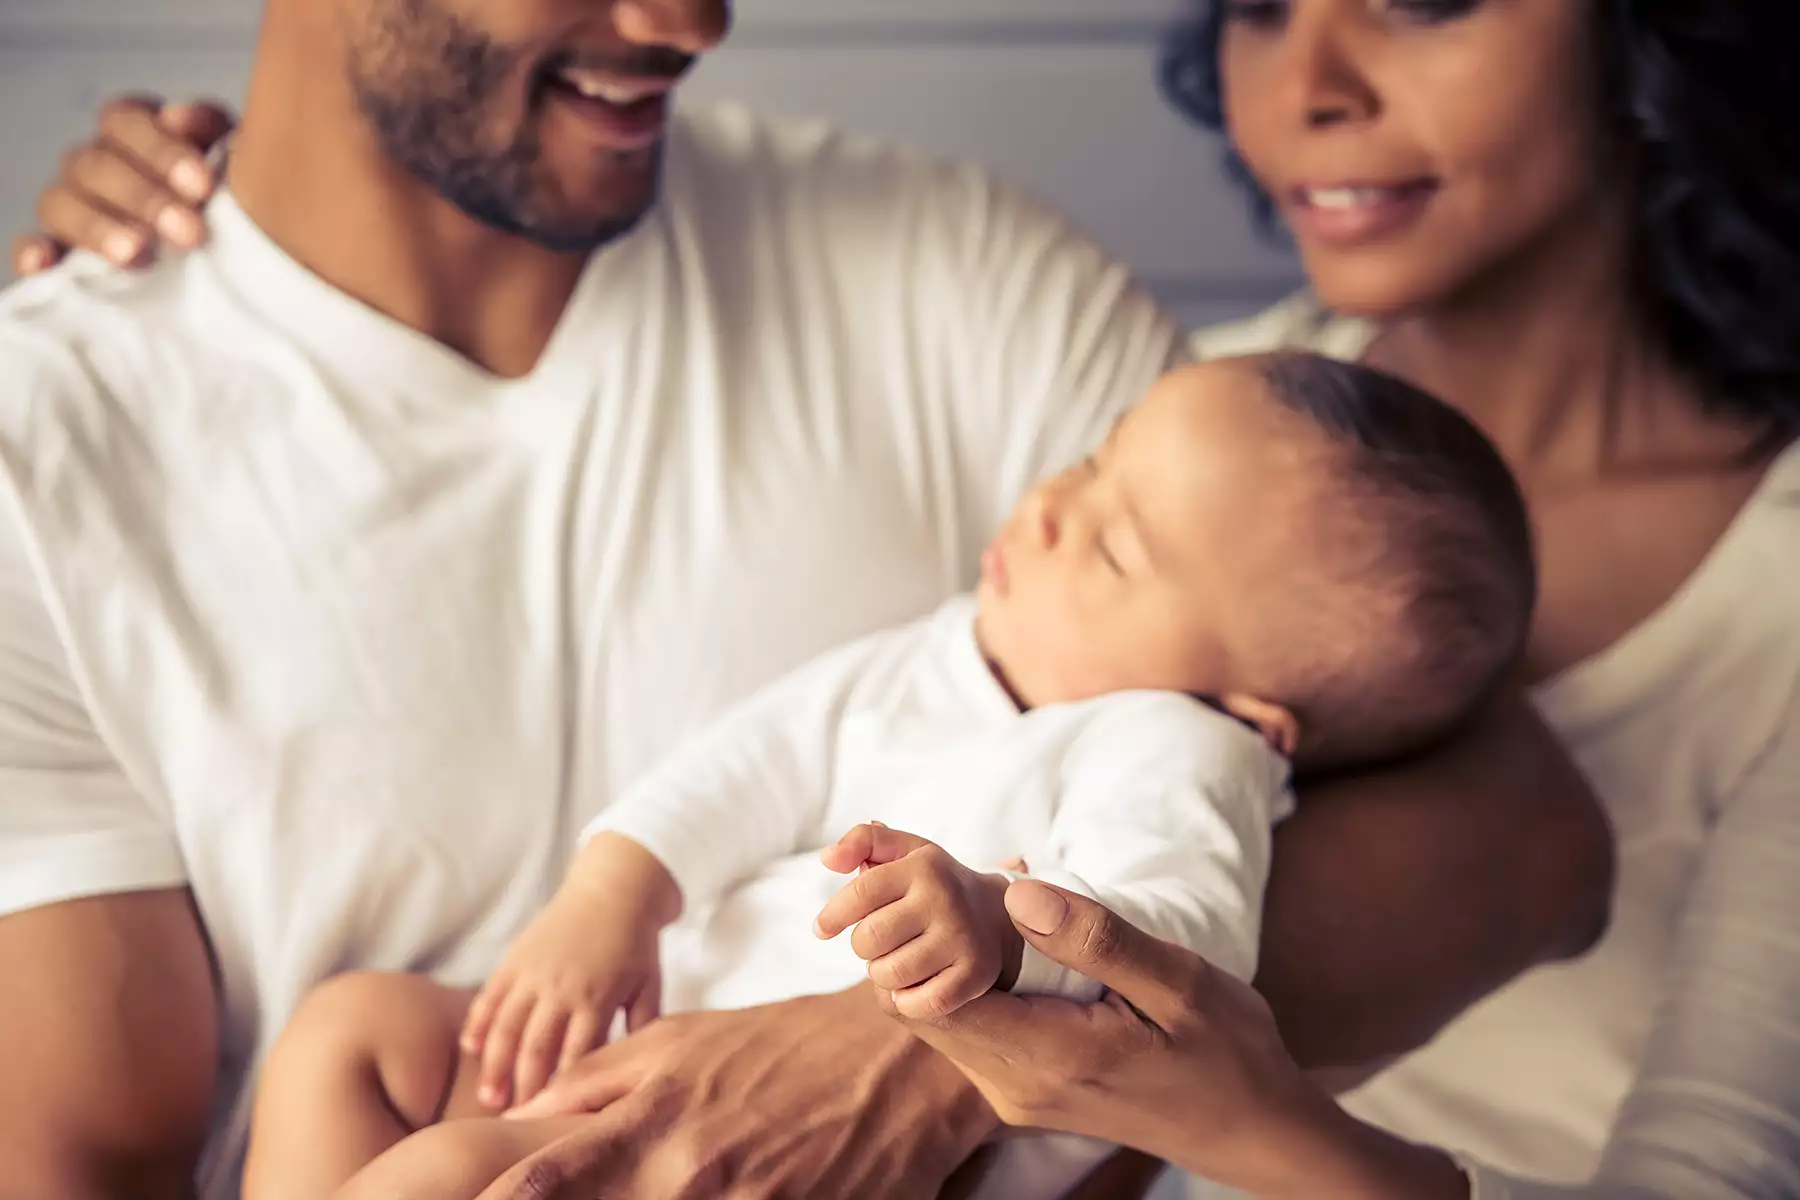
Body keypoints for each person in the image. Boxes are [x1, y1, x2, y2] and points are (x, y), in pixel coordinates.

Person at [0, 2, 1611, 1198]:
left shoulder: (953, 276)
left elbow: (1519, 830)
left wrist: (925, 1062)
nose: (689, 23)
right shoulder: (43, 445)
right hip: (476, 1089)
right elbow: (79, 1157)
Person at [864, 1, 1800, 1197]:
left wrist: (1253, 1125)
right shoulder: (1157, 412)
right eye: (1259, 8)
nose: (1307, 87)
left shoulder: (1775, 585)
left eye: (1418, 3)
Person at [236, 351, 1536, 1200]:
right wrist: (611, 898)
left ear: (1255, 708)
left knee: (450, 1177)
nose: (1042, 509)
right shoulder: (939, 654)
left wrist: (999, 936)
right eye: (1087, 466)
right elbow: (751, 760)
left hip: (801, 1165)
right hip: (654, 1027)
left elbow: (1180, 947)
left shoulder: (1183, 749)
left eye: (1116, 551)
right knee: (348, 1034)